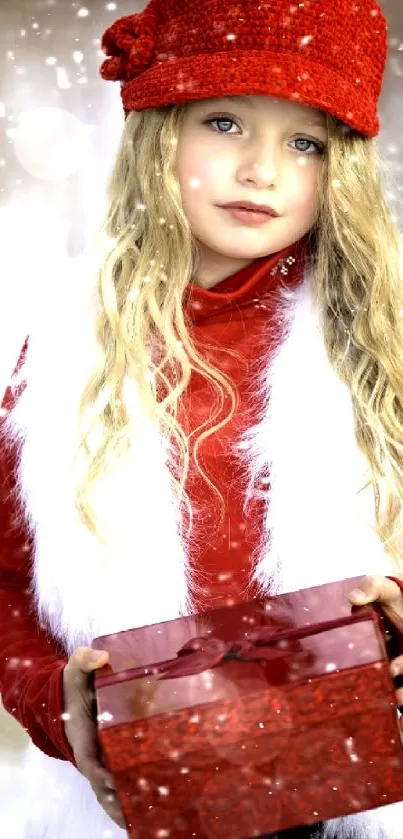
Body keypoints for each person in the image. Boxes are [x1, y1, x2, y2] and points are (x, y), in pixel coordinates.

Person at [1, 0, 403, 836]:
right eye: (225, 122)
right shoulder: (64, 359)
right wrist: (56, 701)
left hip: (350, 797)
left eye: (305, 142)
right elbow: (6, 582)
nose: (263, 170)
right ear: (157, 136)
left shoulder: (381, 350)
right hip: (147, 796)